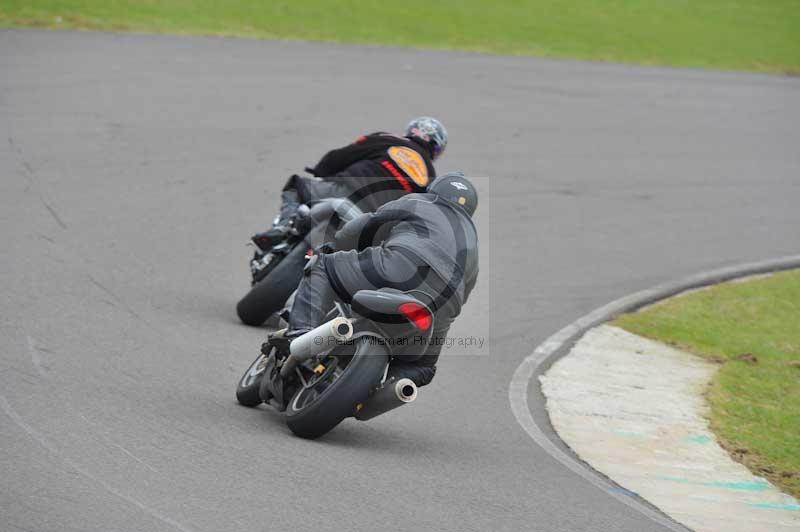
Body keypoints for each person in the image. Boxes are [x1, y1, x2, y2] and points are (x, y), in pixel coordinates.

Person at [266, 172, 479, 408]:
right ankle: (380, 393)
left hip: (398, 266)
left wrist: (337, 244)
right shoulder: (474, 243)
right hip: (441, 305)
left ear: (435, 190)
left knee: (322, 267)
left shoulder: (421, 202)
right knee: (420, 367)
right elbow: (464, 294)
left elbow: (367, 224)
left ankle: (299, 334)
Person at [251, 117, 448, 254]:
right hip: (377, 220)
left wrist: (321, 170)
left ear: (411, 131)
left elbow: (342, 156)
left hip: (344, 190)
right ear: (437, 149)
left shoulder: (386, 139)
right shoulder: (430, 178)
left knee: (296, 186)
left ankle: (284, 227)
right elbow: (418, 215)